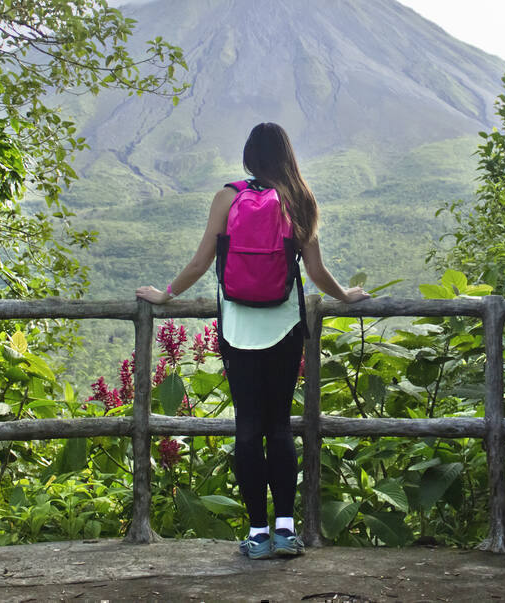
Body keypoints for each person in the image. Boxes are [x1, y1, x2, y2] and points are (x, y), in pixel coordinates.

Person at [137, 122, 370, 560]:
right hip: (283, 325)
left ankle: (258, 534)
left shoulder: (228, 196)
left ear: (248, 156)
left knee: (248, 429)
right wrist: (346, 296)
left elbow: (202, 260)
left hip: (237, 326)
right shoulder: (299, 198)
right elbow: (317, 273)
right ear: (287, 156)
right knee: (280, 426)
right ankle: (286, 531)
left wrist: (165, 295)